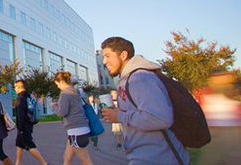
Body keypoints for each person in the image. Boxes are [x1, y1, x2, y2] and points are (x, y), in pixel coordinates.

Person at [100, 36, 189, 165]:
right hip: (143, 157)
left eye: (108, 56)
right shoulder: (126, 80)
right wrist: (120, 113)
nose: (104, 61)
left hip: (159, 158)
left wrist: (120, 116)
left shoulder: (140, 78)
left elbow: (160, 118)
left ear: (123, 55)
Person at [51, 71, 94, 165]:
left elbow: (62, 112)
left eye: (57, 84)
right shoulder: (75, 92)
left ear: (61, 82)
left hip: (76, 130)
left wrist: (54, 107)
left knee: (86, 161)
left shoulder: (65, 93)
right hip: (80, 129)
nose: (58, 87)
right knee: (67, 157)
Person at [13, 80, 49, 165]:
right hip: (29, 124)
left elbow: (20, 115)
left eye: (15, 87)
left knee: (29, 146)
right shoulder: (28, 97)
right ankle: (17, 163)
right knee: (19, 145)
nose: (14, 89)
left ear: (19, 87)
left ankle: (45, 163)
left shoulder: (20, 99)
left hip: (23, 127)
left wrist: (20, 128)